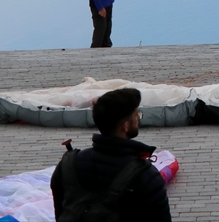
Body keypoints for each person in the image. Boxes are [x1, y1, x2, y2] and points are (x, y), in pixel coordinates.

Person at [50, 87, 171, 222]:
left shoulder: (67, 166)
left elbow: (60, 213)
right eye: (137, 115)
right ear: (125, 126)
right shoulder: (146, 177)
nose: (138, 119)